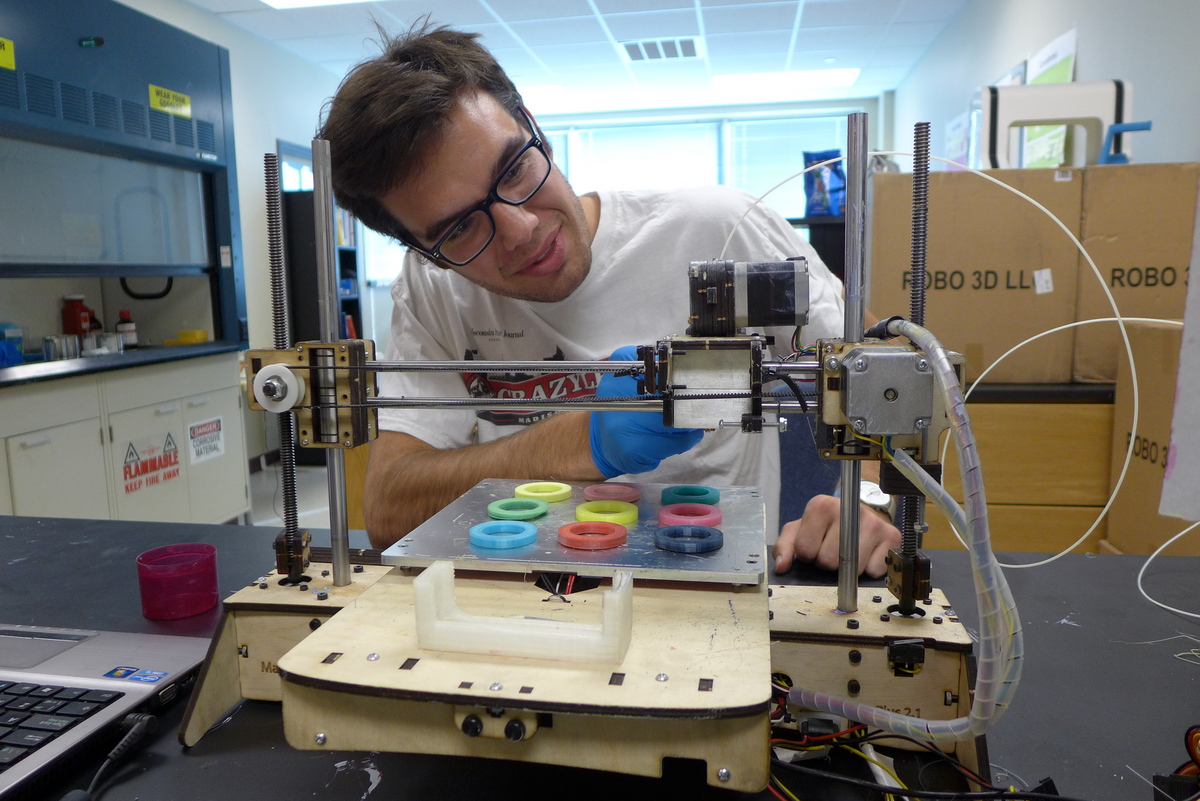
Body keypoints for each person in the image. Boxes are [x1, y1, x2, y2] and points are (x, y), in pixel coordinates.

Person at [318, 23, 900, 575]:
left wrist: (868, 501)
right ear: (424, 250)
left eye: (516, 168)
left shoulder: (721, 229)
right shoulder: (434, 288)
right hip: (532, 593)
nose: (520, 229)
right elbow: (390, 512)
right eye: (461, 229)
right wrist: (583, 440)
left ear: (531, 123)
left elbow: (889, 373)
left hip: (712, 582)